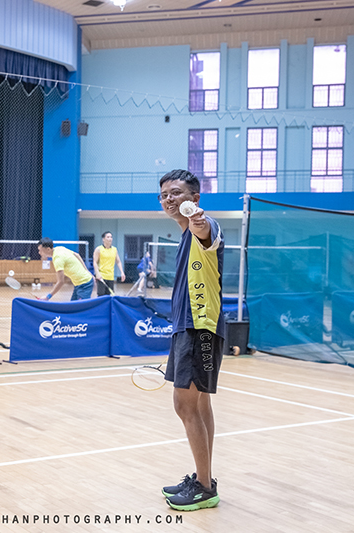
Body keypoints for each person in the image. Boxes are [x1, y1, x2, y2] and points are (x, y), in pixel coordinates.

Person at [158, 169, 225, 512]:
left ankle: (203, 488)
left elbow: (205, 231)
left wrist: (198, 221)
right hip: (196, 328)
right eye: (164, 195)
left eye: (176, 193)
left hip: (199, 328)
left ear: (194, 199)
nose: (169, 199)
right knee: (199, 404)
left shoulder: (203, 226)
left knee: (184, 404)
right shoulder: (184, 236)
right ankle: (204, 480)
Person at [93, 231, 125, 296]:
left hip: (110, 276)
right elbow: (95, 262)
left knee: (109, 295)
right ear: (103, 239)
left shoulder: (114, 250)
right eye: (108, 237)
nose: (110, 238)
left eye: (111, 237)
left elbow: (118, 261)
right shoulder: (98, 249)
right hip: (101, 277)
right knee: (101, 296)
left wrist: (122, 272)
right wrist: (97, 274)